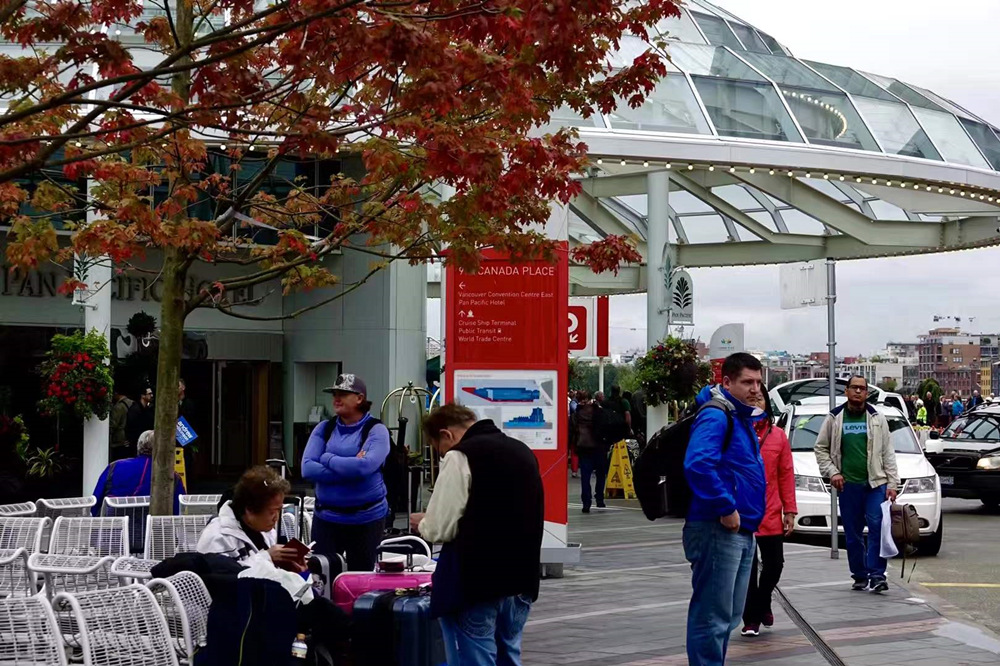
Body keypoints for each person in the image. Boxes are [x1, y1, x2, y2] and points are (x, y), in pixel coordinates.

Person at [411, 404, 543, 666]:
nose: (442, 455)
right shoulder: (522, 451)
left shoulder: (461, 456)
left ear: (446, 435)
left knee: (472, 659)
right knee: (509, 655)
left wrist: (423, 523)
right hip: (521, 580)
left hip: (476, 582)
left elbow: (440, 528)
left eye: (439, 449)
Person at [683, 353, 766, 666]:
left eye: (758, 382)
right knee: (712, 617)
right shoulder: (717, 415)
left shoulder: (740, 416)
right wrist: (725, 506)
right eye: (747, 382)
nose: (755, 389)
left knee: (728, 615)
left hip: (740, 528)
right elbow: (698, 464)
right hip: (717, 527)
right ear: (727, 382)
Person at [815, 375, 899, 593]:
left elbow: (888, 452)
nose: (858, 391)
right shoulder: (834, 418)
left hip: (875, 484)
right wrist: (833, 472)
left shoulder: (877, 418)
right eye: (854, 388)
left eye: (862, 388)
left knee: (877, 528)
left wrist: (892, 483)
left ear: (867, 393)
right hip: (848, 486)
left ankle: (877, 575)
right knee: (852, 534)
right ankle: (860, 575)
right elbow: (820, 448)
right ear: (846, 391)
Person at [301, 373, 390, 571]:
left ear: (359, 398)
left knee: (361, 576)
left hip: (366, 519)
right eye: (334, 394)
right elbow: (307, 468)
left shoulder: (376, 430)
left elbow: (363, 467)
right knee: (322, 575)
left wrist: (327, 458)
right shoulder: (324, 428)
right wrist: (349, 469)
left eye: (343, 394)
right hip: (326, 519)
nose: (336, 399)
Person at [741, 391, 796, 637]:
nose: (755, 402)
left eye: (759, 398)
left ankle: (762, 603)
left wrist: (790, 510)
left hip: (771, 510)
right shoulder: (736, 433)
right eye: (750, 399)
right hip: (742, 512)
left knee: (774, 565)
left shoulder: (778, 436)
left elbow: (786, 474)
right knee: (747, 569)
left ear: (767, 403)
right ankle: (751, 618)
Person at [197, 465, 306, 570]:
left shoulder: (265, 530)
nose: (276, 518)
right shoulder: (217, 537)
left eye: (279, 510)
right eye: (272, 512)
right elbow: (220, 578)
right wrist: (267, 557)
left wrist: (294, 571)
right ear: (250, 510)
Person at [92, 430, 184, 516]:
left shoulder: (115, 467)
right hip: (152, 527)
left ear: (139, 446)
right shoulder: (171, 476)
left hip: (114, 526)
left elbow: (95, 502)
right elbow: (179, 511)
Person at [569, 391, 607, 513]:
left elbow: (572, 430)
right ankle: (600, 499)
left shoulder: (577, 414)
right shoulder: (598, 411)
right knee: (601, 474)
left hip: (584, 447)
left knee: (585, 477)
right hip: (598, 447)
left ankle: (586, 502)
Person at [125, 386, 155, 451]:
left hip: (145, 441)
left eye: (152, 393)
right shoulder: (134, 409)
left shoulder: (148, 409)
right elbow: (131, 427)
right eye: (149, 394)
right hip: (136, 442)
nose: (152, 395)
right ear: (143, 396)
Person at [109, 387, 133, 461]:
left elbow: (113, 424)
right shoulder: (132, 403)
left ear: (116, 394)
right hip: (129, 438)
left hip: (119, 440)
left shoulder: (118, 407)